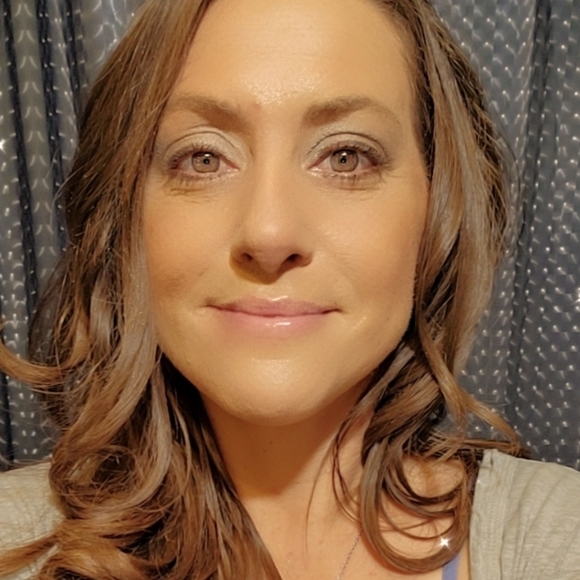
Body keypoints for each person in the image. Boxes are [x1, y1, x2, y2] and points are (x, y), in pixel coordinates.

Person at [0, 0, 579, 578]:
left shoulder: (555, 533)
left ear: (438, 211)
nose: (269, 233)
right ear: (123, 219)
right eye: (203, 158)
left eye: (346, 157)